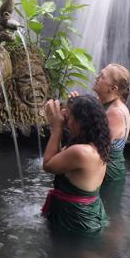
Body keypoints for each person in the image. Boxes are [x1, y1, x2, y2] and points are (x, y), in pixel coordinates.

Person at [41, 95, 110, 235]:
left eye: (70, 117)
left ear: (80, 123)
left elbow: (48, 165)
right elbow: (59, 157)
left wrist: (56, 129)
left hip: (77, 221)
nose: (67, 121)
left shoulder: (81, 152)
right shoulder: (96, 144)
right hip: (86, 214)